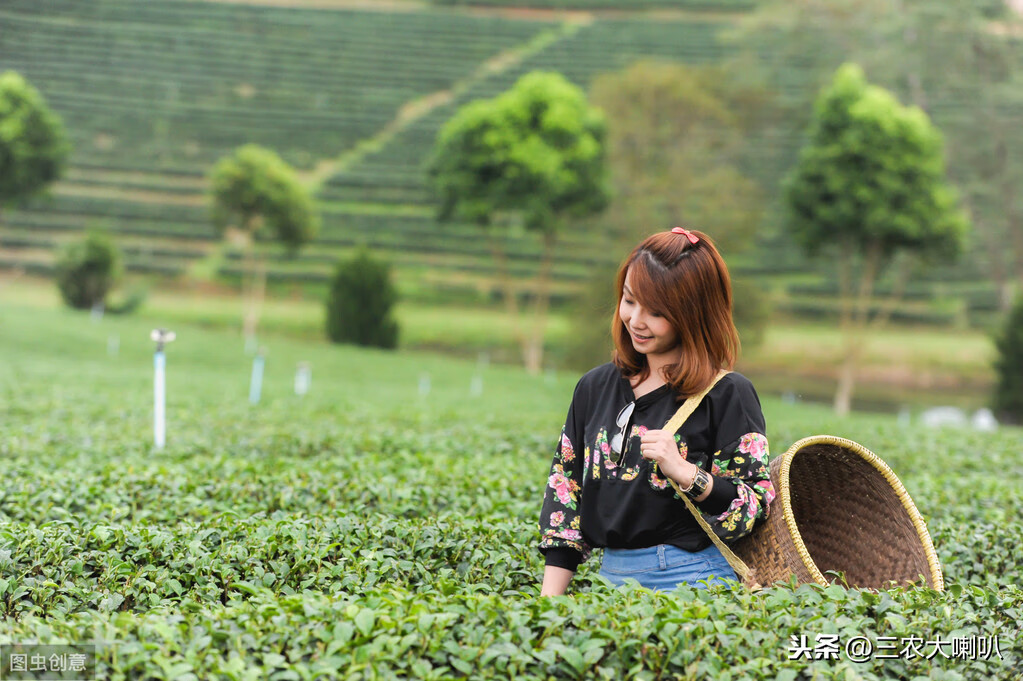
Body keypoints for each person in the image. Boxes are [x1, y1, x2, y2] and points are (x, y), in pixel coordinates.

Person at [538, 227, 776, 595]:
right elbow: (564, 494)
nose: (636, 320)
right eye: (630, 300)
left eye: (657, 312)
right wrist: (547, 605)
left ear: (694, 315)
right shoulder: (595, 387)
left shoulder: (727, 394)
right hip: (610, 578)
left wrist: (685, 472)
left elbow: (753, 508)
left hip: (691, 578)